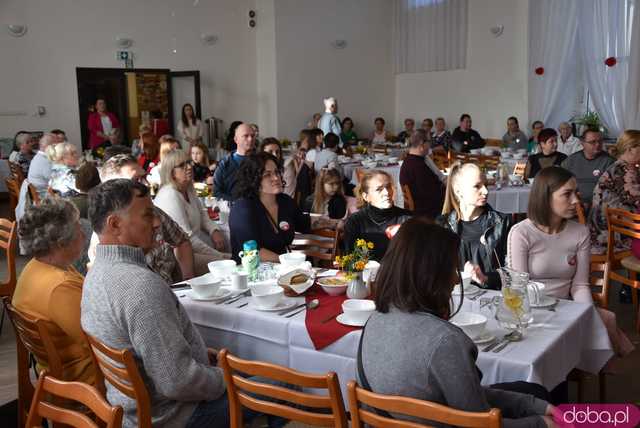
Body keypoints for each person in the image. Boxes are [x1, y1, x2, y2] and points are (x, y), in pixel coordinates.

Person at [359, 218, 555, 428]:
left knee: (532, 394)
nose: (454, 280)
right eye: (451, 269)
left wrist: (532, 406)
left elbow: (464, 397)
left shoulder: (374, 322)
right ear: (431, 276)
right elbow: (478, 423)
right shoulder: (445, 341)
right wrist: (540, 423)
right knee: (537, 394)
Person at [83, 179, 228, 428]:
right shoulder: (140, 285)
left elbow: (151, 353)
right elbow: (177, 381)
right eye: (148, 214)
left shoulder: (95, 274)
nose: (157, 222)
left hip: (133, 410)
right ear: (115, 224)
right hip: (174, 417)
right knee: (279, 387)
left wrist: (198, 355)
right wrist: (225, 378)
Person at [508, 167, 634, 359]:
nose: (576, 201)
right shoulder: (521, 234)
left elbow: (580, 285)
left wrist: (585, 314)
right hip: (532, 313)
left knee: (597, 321)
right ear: (545, 197)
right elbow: (519, 288)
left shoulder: (579, 232)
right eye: (567, 194)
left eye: (576, 193)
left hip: (566, 308)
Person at [12, 199, 98, 386]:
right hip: (83, 381)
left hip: (53, 373)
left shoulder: (35, 267)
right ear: (60, 244)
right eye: (77, 228)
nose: (83, 232)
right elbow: (99, 339)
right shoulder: (60, 287)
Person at [92, 154, 195, 282]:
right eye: (136, 179)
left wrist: (187, 281)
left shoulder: (154, 212)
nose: (146, 185)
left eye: (145, 177)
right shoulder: (104, 239)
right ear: (112, 187)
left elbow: (181, 240)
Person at [229, 152, 315, 262]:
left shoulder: (285, 202)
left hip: (281, 271)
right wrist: (289, 263)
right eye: (267, 175)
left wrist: (333, 222)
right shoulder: (243, 208)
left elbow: (304, 223)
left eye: (277, 172)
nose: (276, 177)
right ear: (253, 180)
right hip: (249, 272)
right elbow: (252, 251)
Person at [439, 163, 511, 290]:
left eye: (486, 185)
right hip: (454, 299)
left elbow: (513, 272)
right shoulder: (443, 226)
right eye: (477, 186)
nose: (486, 191)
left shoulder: (501, 223)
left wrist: (486, 278)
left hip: (492, 298)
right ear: (458, 191)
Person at [155, 150, 229, 272]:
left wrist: (214, 230)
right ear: (171, 172)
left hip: (198, 245)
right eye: (182, 165)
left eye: (189, 163)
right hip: (181, 256)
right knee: (228, 264)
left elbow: (203, 215)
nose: (189, 167)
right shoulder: (169, 195)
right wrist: (219, 255)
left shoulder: (188, 188)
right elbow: (186, 238)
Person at [589, 130, 640, 255]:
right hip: (609, 236)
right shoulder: (624, 171)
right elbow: (637, 201)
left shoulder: (620, 166)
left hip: (604, 230)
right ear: (629, 149)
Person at [343, 170, 411, 260]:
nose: (386, 193)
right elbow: (350, 259)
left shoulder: (407, 219)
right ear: (366, 197)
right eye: (379, 189)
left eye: (388, 187)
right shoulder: (355, 221)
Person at [560, 129, 614, 206]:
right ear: (582, 143)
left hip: (599, 206)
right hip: (574, 204)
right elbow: (559, 182)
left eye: (600, 141)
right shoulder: (571, 160)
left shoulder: (609, 162)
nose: (597, 144)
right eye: (593, 142)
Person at [399, 130, 444, 218]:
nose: (430, 146)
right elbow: (433, 193)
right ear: (422, 145)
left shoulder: (409, 160)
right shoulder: (418, 166)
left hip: (420, 205)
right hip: (426, 211)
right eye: (429, 142)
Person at [214, 123, 256, 201]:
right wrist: (237, 202)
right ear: (236, 139)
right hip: (231, 208)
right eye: (246, 136)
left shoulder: (260, 162)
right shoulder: (224, 163)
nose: (250, 139)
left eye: (252, 136)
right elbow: (216, 192)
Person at [283, 134, 313, 203]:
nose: (301, 156)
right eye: (300, 154)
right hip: (295, 178)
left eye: (303, 154)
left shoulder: (303, 160)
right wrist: (302, 163)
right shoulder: (294, 159)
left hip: (299, 179)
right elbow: (297, 172)